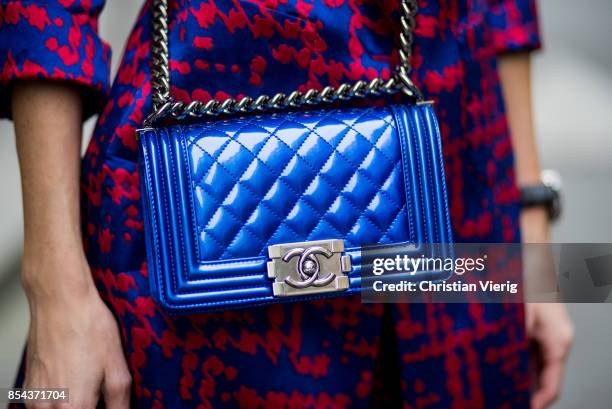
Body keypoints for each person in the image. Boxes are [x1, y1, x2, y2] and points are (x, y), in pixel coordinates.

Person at [1, 0, 573, 407]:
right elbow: (44, 12)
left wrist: (532, 228)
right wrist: (54, 290)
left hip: (460, 186)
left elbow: (503, 9)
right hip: (198, 212)